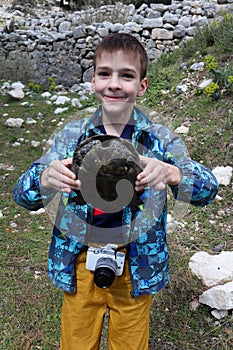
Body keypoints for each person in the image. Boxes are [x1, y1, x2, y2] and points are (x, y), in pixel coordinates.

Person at [14, 33, 218, 350]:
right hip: (79, 264)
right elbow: (22, 195)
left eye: (126, 75)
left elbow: (207, 189)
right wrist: (44, 179)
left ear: (142, 85)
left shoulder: (160, 140)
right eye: (105, 73)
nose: (114, 84)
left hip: (138, 268)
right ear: (93, 80)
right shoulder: (70, 136)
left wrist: (173, 173)